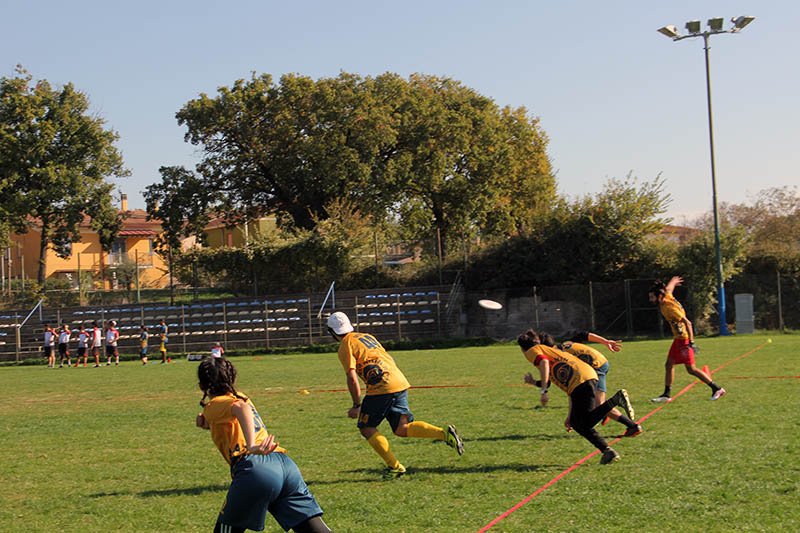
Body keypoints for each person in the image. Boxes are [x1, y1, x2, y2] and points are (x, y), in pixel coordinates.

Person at [195, 356, 331, 533]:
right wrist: (207, 424)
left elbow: (239, 409)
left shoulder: (215, 405)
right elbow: (233, 417)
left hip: (255, 467)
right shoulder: (241, 396)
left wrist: (251, 445)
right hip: (284, 465)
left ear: (201, 386)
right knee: (314, 530)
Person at [326, 311, 464, 480]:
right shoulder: (367, 337)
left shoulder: (345, 345)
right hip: (398, 380)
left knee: (366, 427)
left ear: (332, 332)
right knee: (402, 428)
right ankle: (444, 434)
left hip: (381, 387)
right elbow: (388, 357)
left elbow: (351, 377)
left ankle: (395, 467)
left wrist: (356, 405)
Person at [517, 328, 635, 464]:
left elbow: (543, 362)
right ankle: (608, 452)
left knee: (583, 424)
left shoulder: (532, 351)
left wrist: (544, 391)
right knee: (579, 423)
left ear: (522, 348)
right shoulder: (550, 350)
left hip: (582, 380)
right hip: (585, 377)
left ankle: (616, 401)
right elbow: (567, 388)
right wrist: (570, 415)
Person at [538, 331, 642, 437]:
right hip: (599, 363)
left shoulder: (558, 358)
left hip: (597, 366)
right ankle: (605, 413)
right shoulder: (565, 345)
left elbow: (571, 388)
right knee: (595, 404)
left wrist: (570, 416)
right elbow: (583, 334)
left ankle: (632, 425)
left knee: (599, 404)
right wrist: (606, 342)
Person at [648, 277, 726, 402]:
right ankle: (666, 395)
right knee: (669, 365)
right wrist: (674, 281)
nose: (650, 300)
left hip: (684, 339)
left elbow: (688, 323)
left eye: (652, 297)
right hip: (677, 339)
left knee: (691, 369)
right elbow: (669, 288)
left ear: (660, 297)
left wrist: (691, 342)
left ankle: (717, 388)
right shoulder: (666, 295)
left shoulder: (670, 308)